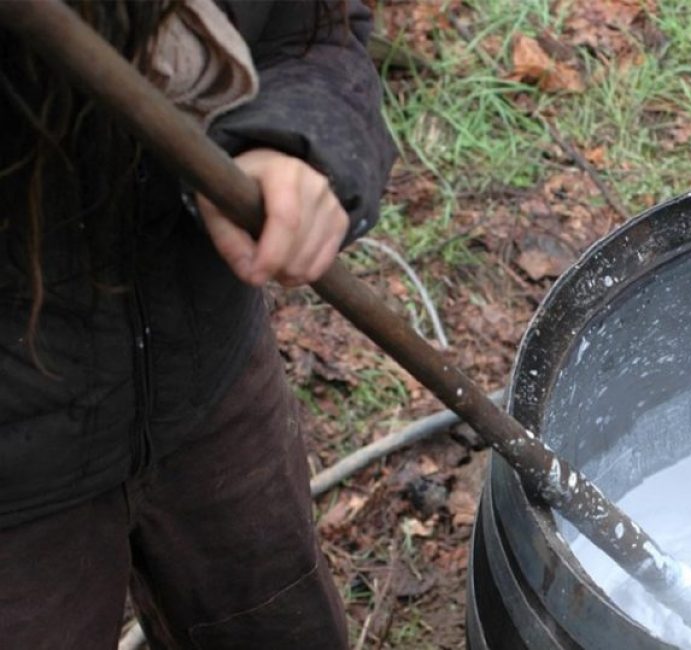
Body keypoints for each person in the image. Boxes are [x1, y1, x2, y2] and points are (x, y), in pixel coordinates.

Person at [0, 1, 396, 648]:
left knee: (278, 624)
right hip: (16, 478)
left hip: (209, 374)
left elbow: (309, 33)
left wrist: (295, 138)